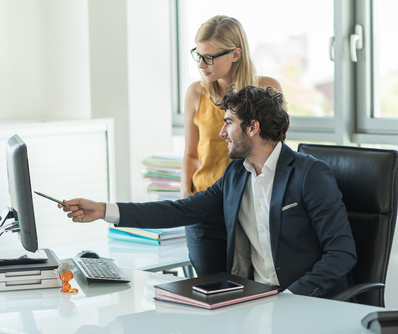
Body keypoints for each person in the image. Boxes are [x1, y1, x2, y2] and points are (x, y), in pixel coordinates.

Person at [62, 86, 357, 298]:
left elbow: (342, 253)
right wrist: (103, 210)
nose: (221, 133)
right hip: (255, 299)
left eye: (228, 123)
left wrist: (293, 297)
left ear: (253, 127)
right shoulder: (235, 175)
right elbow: (180, 210)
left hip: (306, 302)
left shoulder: (309, 174)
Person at [181, 15, 283, 276]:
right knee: (211, 289)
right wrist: (186, 199)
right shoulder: (196, 93)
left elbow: (276, 152)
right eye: (198, 54)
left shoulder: (268, 89)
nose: (201, 64)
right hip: (207, 206)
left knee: (256, 287)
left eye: (209, 57)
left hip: (252, 204)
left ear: (236, 54)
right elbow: (191, 153)